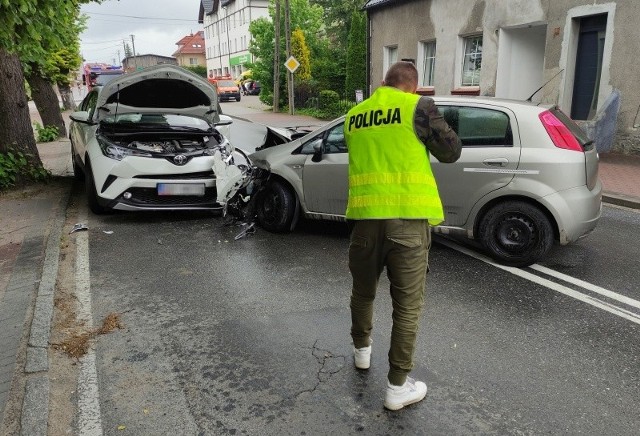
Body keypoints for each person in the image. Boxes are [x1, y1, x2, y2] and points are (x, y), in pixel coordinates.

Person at [343, 61, 461, 411]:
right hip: (407, 224)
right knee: (407, 308)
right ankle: (397, 387)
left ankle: (362, 352)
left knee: (363, 292)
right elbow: (451, 152)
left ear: (383, 83)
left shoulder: (355, 115)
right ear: (413, 87)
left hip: (364, 222)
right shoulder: (419, 108)